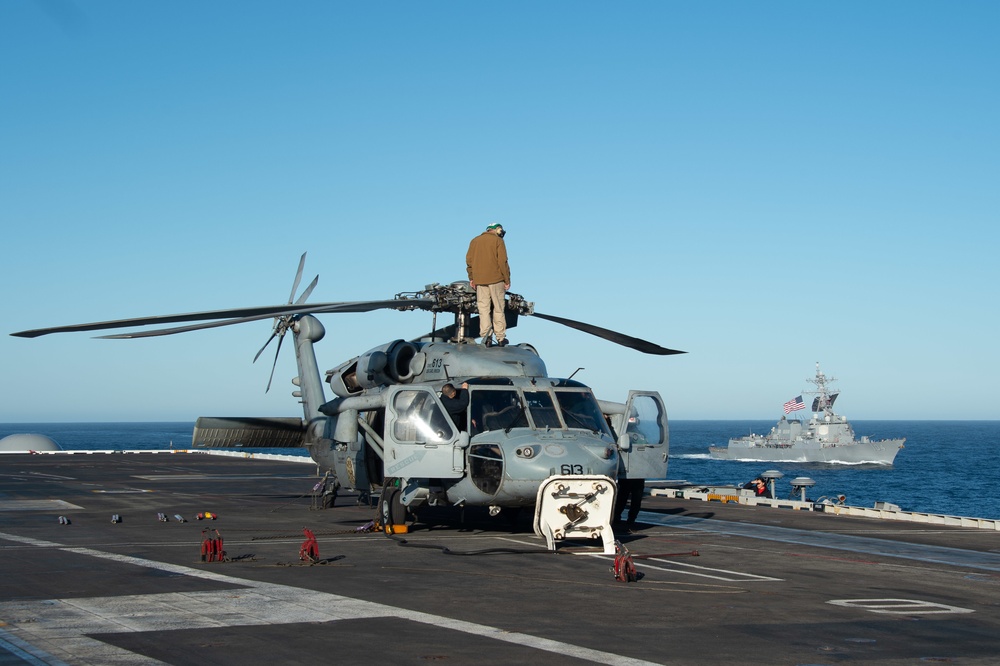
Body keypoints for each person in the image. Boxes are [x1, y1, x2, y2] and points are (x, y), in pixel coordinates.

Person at [466, 223, 511, 347]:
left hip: (480, 281)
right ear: (497, 230)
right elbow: (502, 261)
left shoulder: (474, 241)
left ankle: (486, 336)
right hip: (496, 279)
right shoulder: (498, 241)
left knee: (483, 309)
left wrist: (472, 278)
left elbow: (469, 262)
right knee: (498, 308)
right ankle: (500, 337)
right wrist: (507, 280)